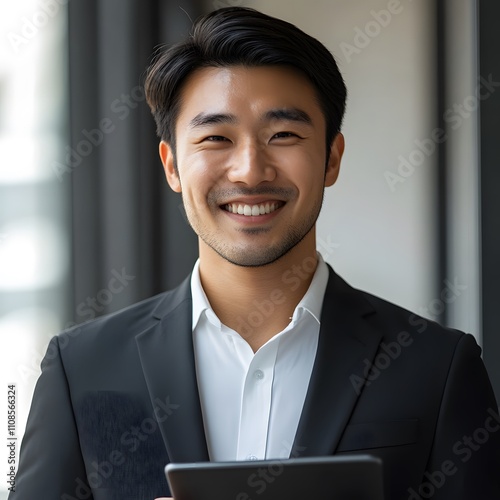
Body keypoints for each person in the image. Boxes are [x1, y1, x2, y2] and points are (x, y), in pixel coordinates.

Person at [10, 7, 500, 500]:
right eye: (216, 138)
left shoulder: (436, 367)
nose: (249, 171)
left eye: (283, 135)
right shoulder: (81, 369)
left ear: (331, 158)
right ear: (172, 166)